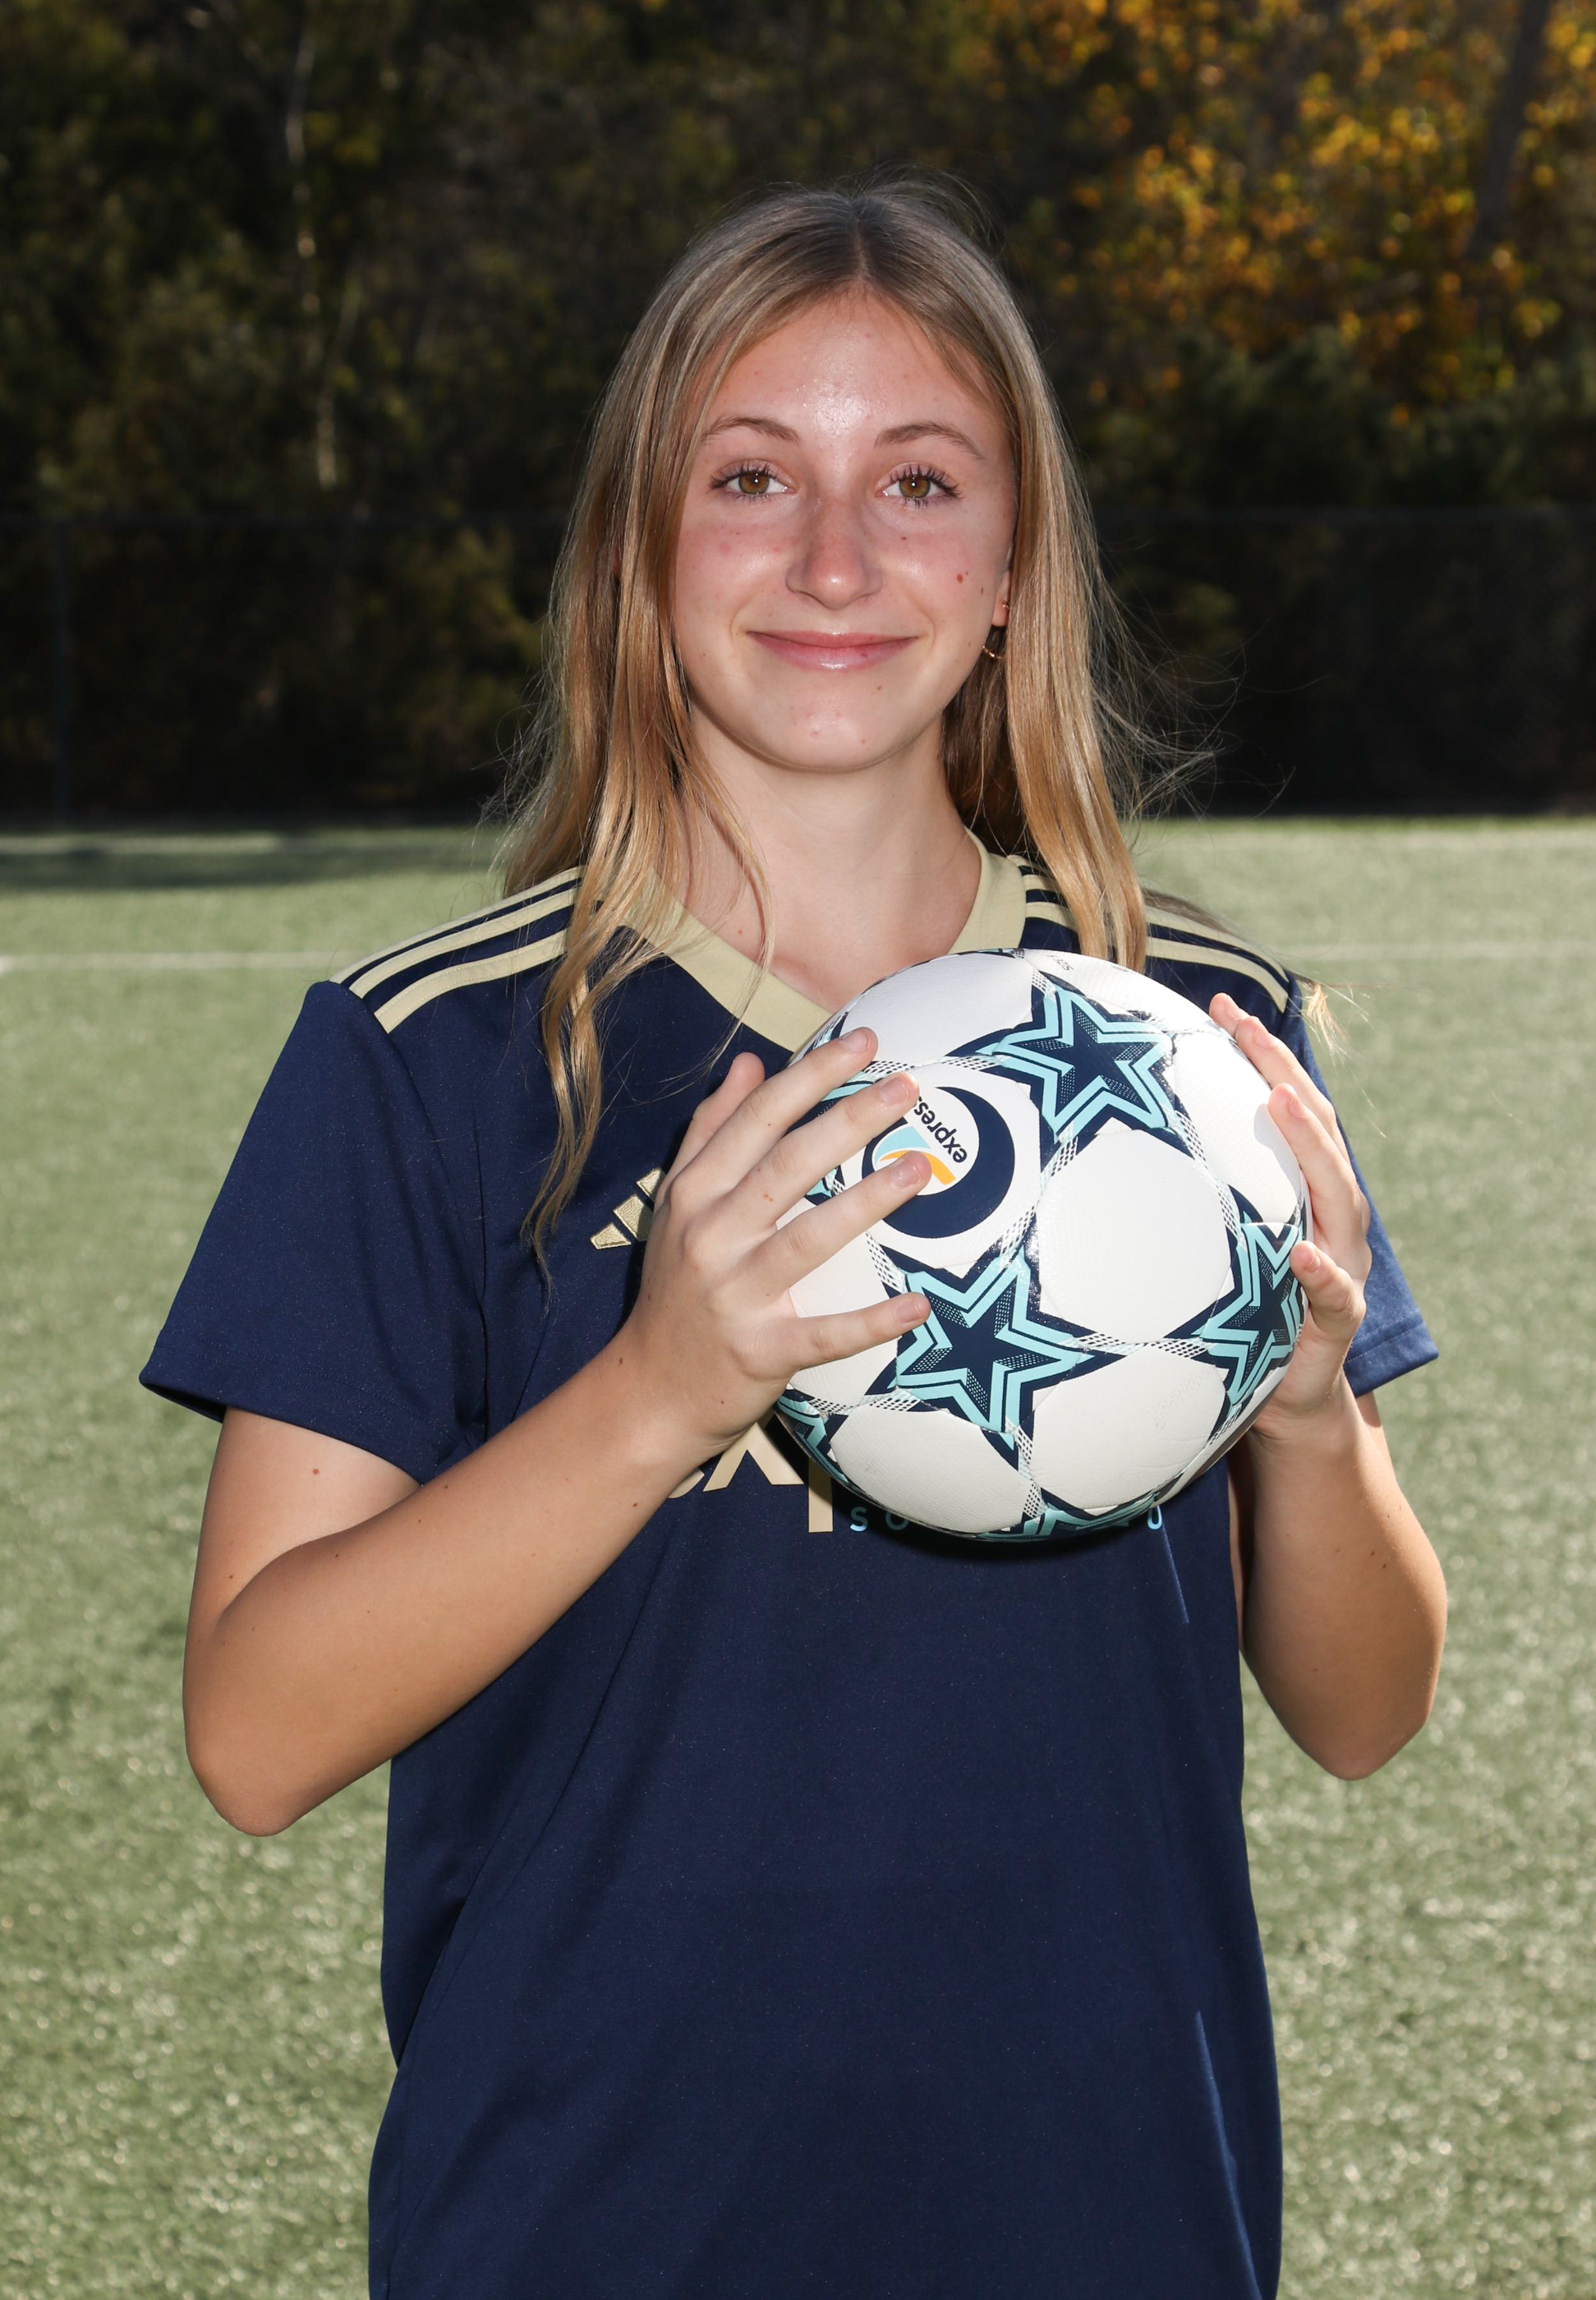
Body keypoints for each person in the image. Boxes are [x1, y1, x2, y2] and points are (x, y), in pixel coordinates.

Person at [141, 180, 1447, 2300]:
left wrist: (1308, 1424)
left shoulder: (1191, 1040)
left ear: (1013, 565)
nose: (836, 559)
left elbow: (1368, 1712)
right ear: (637, 550)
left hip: (1107, 2214)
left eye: (919, 483)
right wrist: (657, 1393)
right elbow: (256, 1732)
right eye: (751, 476)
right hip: (588, 2226)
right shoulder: (434, 1060)